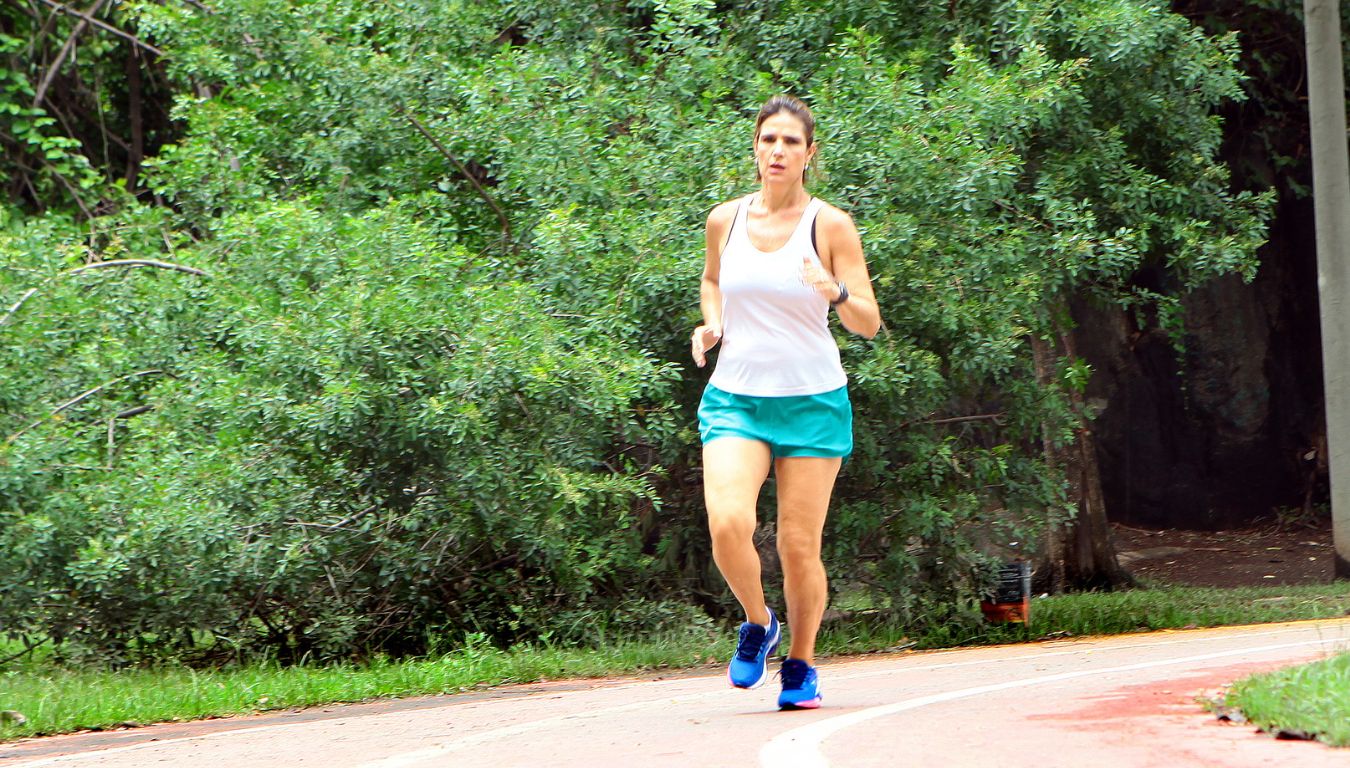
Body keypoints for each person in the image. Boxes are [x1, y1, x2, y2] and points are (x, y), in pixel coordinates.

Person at [691, 95, 881, 710]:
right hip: (736, 399)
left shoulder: (830, 225)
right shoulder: (725, 219)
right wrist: (712, 323)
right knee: (727, 523)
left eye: (791, 142)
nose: (778, 151)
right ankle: (756, 621)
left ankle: (800, 663)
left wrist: (835, 289)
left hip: (811, 402)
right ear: (755, 146)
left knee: (797, 546)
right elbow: (714, 279)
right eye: (768, 139)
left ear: (809, 153)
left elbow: (868, 323)